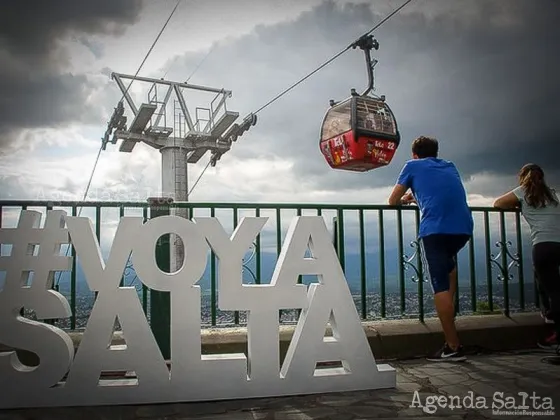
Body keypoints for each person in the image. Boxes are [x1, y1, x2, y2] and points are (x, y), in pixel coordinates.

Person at [388, 136, 473, 362]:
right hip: (464, 227)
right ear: (436, 152)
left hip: (435, 230)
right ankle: (450, 328)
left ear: (414, 154)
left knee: (440, 286)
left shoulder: (412, 166)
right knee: (450, 269)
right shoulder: (449, 165)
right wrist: (416, 197)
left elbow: (392, 200)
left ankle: (453, 346)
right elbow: (440, 191)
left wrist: (406, 199)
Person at [493, 163, 560, 351]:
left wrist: (518, 204)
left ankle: (555, 332)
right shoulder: (552, 193)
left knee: (553, 289)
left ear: (523, 177)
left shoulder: (523, 191)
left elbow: (498, 203)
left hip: (543, 244)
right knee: (553, 284)